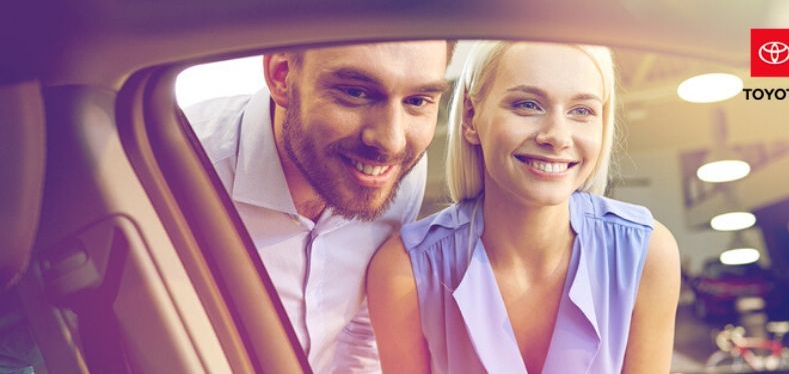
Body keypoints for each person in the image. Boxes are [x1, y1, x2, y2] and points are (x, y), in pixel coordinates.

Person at [367, 41, 681, 373]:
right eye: (528, 105)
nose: (557, 136)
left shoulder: (646, 254)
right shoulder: (404, 271)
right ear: (472, 118)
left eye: (582, 111)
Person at [183, 41, 454, 373]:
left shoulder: (395, 172)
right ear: (282, 75)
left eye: (417, 101)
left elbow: (360, 331)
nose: (392, 141)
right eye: (356, 92)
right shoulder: (176, 171)